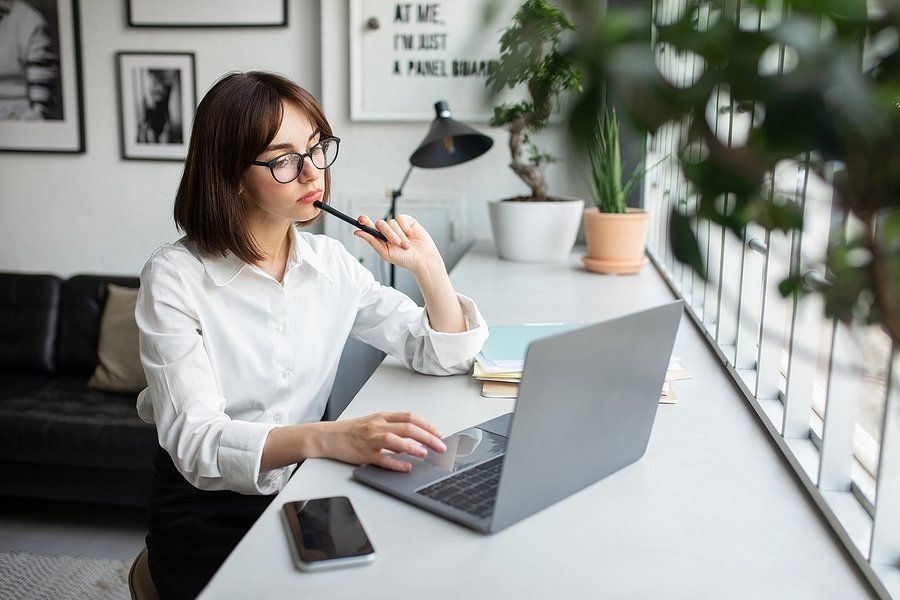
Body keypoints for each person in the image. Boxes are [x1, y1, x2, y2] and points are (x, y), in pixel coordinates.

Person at [135, 71, 488, 599]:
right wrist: (330, 438)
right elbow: (197, 441)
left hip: (308, 483)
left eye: (316, 148)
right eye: (282, 159)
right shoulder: (174, 277)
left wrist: (429, 269)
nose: (310, 173)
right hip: (206, 506)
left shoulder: (330, 263)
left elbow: (436, 352)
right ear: (231, 176)